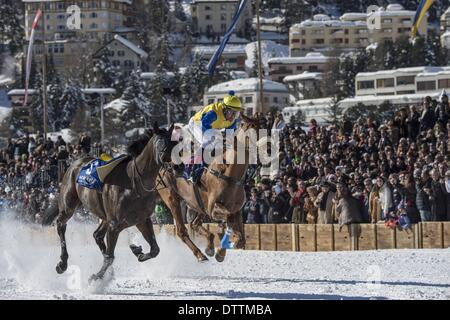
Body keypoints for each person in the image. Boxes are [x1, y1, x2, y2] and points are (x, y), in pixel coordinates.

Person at [184, 91, 243, 183]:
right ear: (225, 109)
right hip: (197, 123)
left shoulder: (232, 121)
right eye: (232, 113)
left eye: (236, 114)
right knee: (208, 142)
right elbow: (204, 125)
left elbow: (229, 136)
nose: (233, 116)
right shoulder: (214, 113)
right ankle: (192, 170)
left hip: (212, 127)